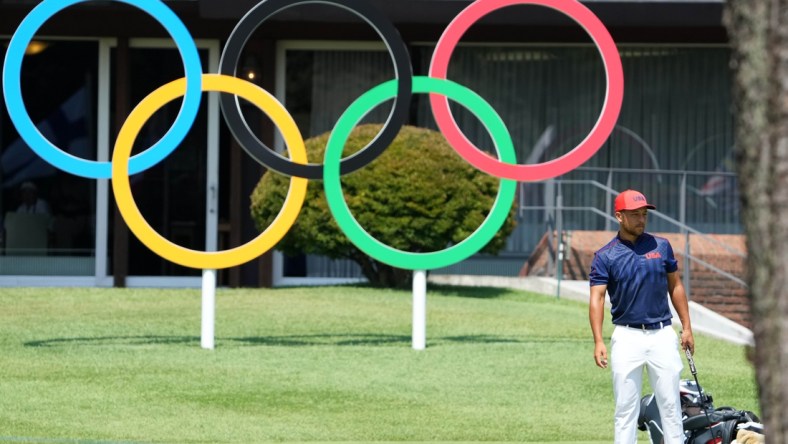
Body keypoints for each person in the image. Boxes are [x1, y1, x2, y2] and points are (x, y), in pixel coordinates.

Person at [588, 189, 695, 444]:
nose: (641, 219)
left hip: (662, 334)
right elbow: (597, 298)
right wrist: (598, 341)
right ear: (619, 216)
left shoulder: (661, 246)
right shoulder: (605, 256)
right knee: (626, 409)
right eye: (634, 214)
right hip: (626, 337)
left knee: (670, 406)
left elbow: (676, 286)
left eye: (644, 214)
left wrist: (687, 327)